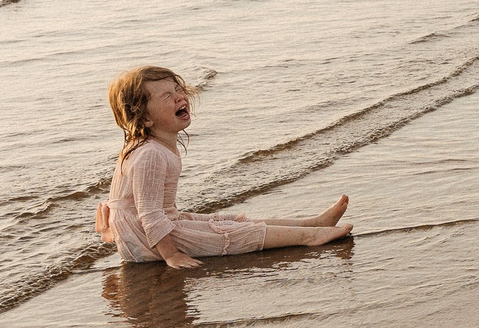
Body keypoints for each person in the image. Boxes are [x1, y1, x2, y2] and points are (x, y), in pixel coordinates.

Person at [95, 65, 352, 267]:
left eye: (177, 90)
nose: (179, 97)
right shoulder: (149, 154)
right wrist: (171, 255)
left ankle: (313, 223)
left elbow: (155, 213)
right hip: (143, 240)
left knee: (227, 222)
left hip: (158, 225)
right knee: (229, 235)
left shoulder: (159, 144)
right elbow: (148, 214)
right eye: (167, 96)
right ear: (147, 118)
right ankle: (309, 237)